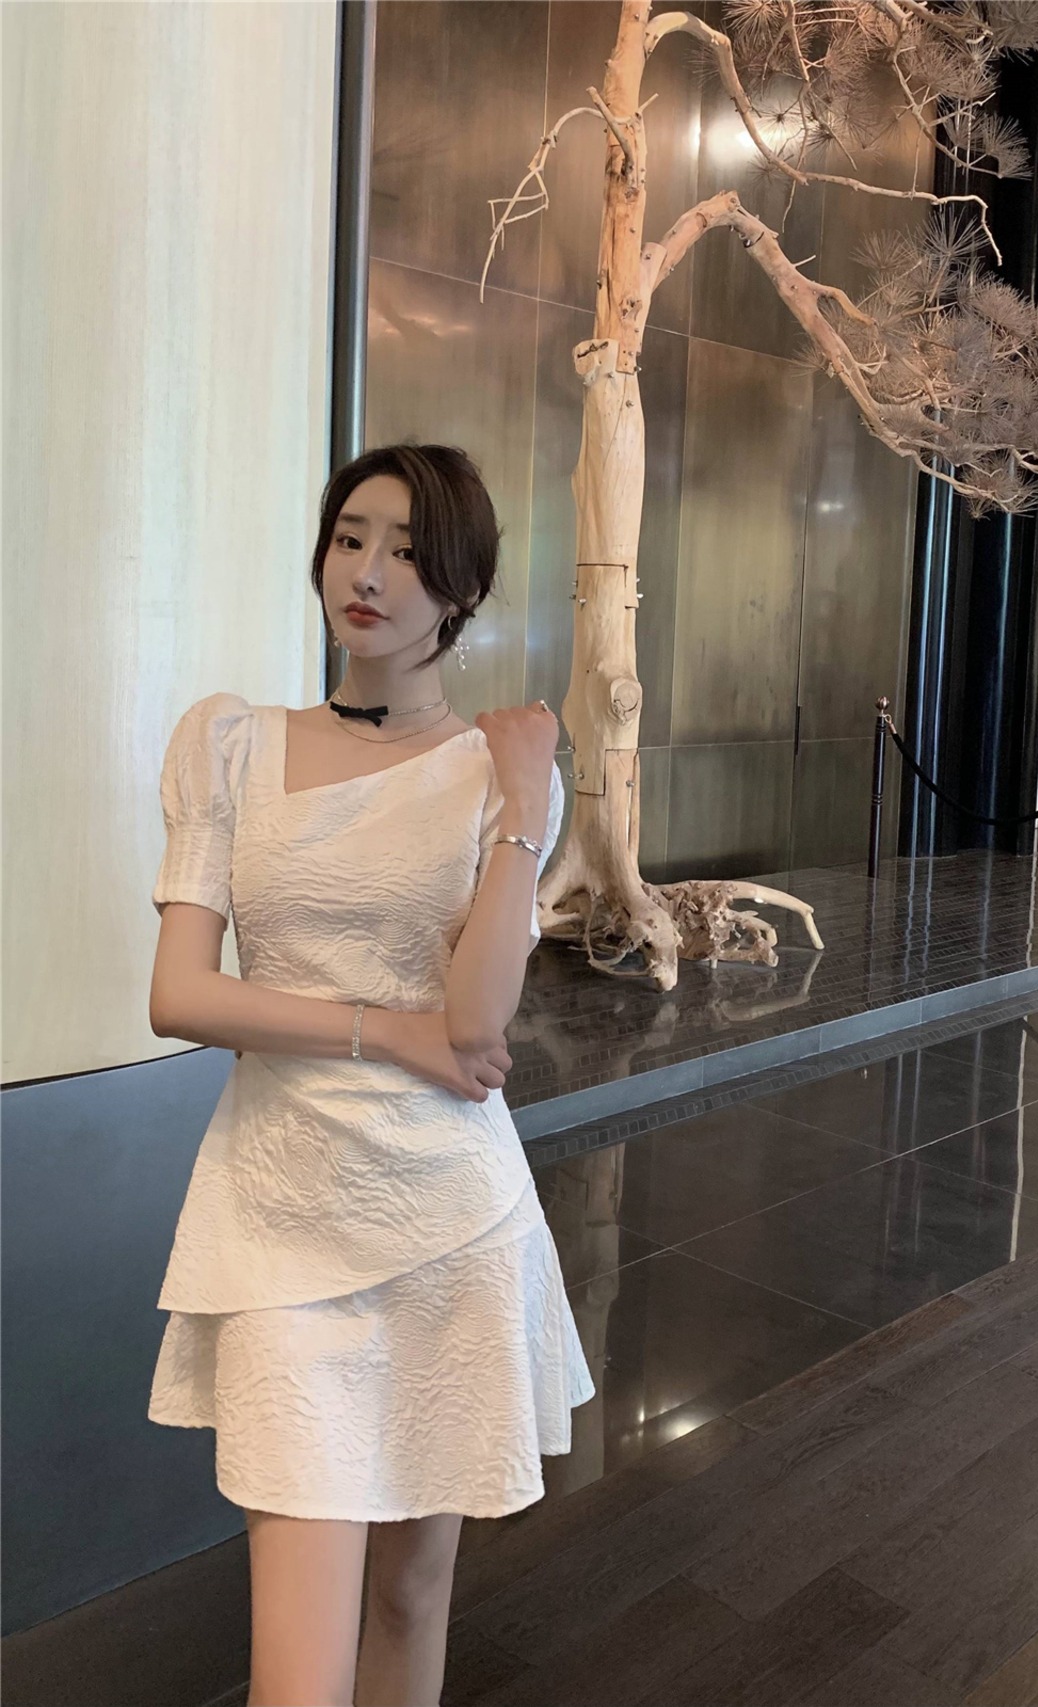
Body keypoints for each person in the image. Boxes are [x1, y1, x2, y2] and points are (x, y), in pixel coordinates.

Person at [146, 442, 594, 1707]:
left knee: (409, 1596)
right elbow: (180, 995)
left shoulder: (501, 777)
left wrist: (522, 810)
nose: (369, 574)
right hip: (280, 1217)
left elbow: (478, 1017)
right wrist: (383, 1032)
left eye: (408, 552)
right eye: (351, 538)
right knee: (295, 1676)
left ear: (462, 589)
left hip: (448, 1215)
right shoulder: (231, 745)